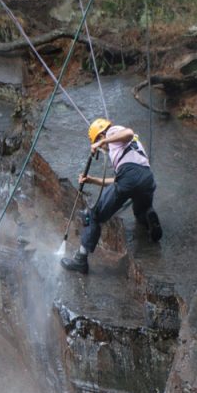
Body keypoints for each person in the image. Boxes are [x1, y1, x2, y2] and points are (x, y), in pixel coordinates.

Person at [60, 117, 162, 275]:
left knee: (93, 215)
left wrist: (101, 143)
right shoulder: (132, 146)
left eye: (101, 146)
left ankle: (80, 259)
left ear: (101, 136)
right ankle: (148, 216)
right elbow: (119, 181)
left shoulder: (113, 132)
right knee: (140, 210)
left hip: (129, 178)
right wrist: (92, 180)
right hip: (146, 179)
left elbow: (128, 132)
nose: (104, 150)